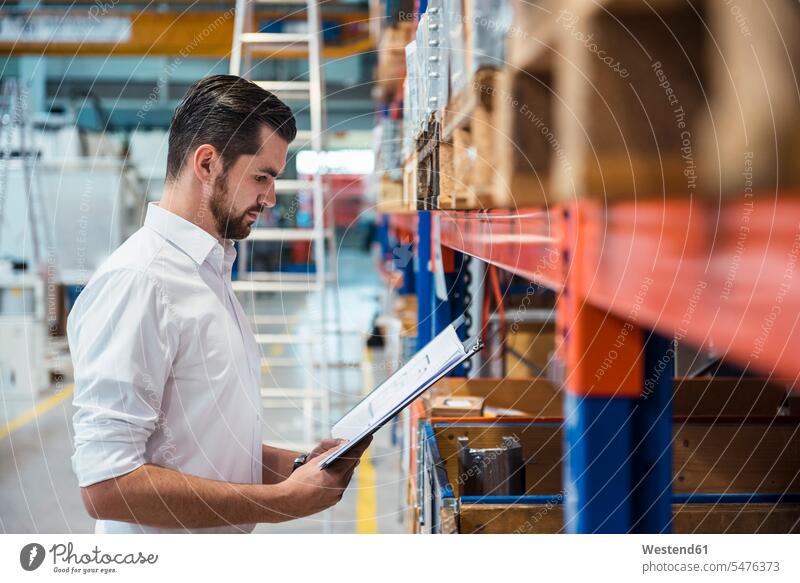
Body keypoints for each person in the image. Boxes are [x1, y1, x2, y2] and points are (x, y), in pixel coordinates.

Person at [67, 75, 371, 534]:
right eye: (262, 176)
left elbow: (206, 446)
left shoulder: (205, 272)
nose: (270, 198)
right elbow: (105, 485)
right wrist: (279, 502)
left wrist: (303, 466)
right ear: (207, 163)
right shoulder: (140, 282)